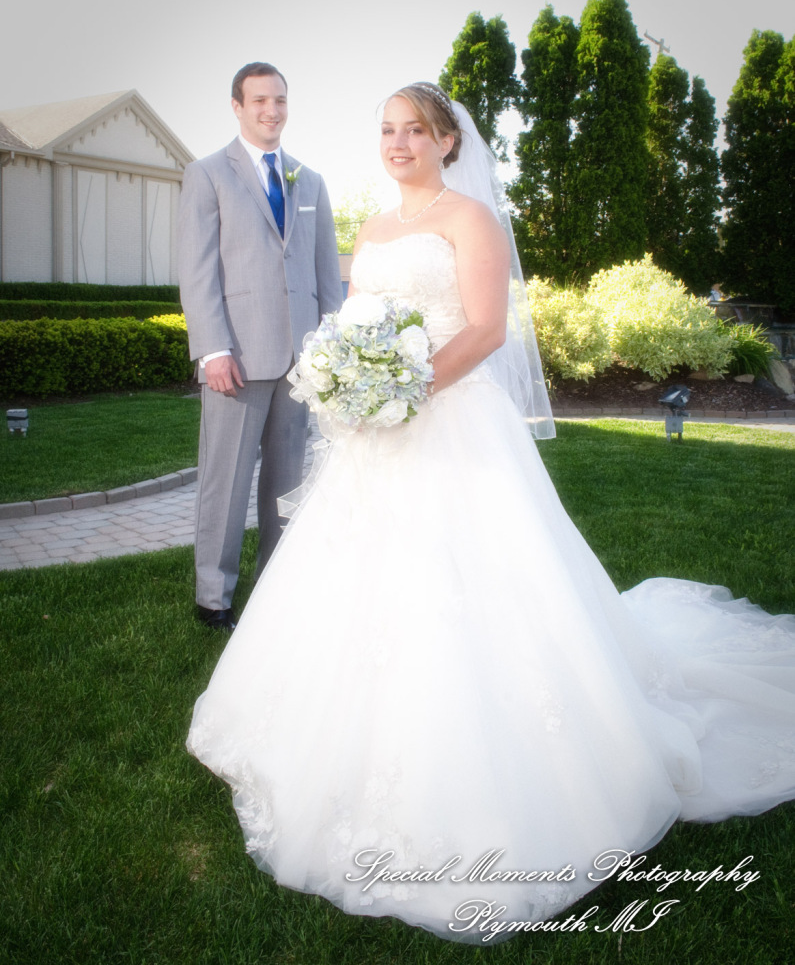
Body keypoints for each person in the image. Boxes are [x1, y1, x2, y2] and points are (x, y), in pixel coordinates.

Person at [187, 82, 795, 942]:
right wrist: (350, 383)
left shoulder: (469, 220)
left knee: (473, 586)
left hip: (450, 422)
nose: (397, 144)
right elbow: (357, 321)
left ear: (446, 142)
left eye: (414, 131)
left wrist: (405, 388)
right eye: (387, 131)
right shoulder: (371, 228)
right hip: (376, 433)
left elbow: (484, 331)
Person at [178, 62, 342, 631]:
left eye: (279, 100)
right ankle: (213, 597)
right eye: (259, 101)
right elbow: (197, 272)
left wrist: (331, 353)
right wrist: (212, 349)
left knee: (287, 481)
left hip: (301, 362)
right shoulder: (206, 175)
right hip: (237, 360)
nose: (271, 110)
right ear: (237, 105)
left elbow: (326, 277)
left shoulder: (309, 181)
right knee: (224, 482)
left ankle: (276, 587)